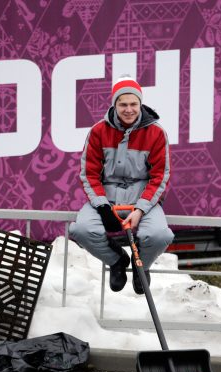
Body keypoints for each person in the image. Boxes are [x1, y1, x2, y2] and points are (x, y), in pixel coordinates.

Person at [69, 75, 174, 295]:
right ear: (114, 104)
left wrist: (141, 209)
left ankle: (140, 266)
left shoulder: (156, 133)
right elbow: (88, 173)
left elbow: (159, 176)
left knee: (159, 235)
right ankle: (117, 260)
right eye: (123, 104)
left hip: (141, 197)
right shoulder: (98, 131)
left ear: (140, 104)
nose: (129, 109)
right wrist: (102, 206)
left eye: (133, 104)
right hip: (107, 195)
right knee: (81, 230)